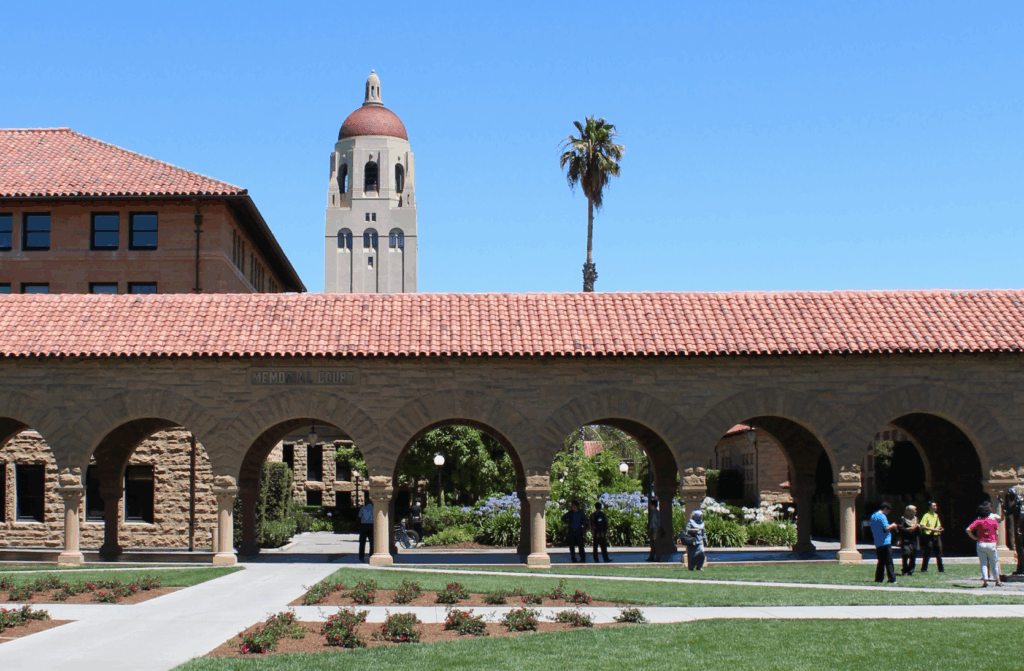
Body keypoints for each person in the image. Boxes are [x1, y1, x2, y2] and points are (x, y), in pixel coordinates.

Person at [967, 503, 1002, 587]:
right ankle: (997, 580)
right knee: (994, 562)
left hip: (981, 543)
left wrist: (975, 538)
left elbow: (968, 529)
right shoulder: (993, 520)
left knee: (983, 563)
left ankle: (985, 580)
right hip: (991, 543)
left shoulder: (978, 521)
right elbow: (997, 533)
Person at [870, 502, 899, 584]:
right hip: (885, 541)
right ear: (886, 509)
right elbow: (886, 528)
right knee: (889, 561)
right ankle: (892, 578)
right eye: (888, 511)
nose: (888, 513)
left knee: (881, 561)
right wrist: (893, 525)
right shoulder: (882, 516)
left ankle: (879, 578)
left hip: (877, 541)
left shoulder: (873, 516)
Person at [919, 501, 945, 573]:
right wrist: (933, 529)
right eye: (934, 506)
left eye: (936, 506)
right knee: (927, 553)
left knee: (939, 553)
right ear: (930, 507)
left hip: (937, 536)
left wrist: (940, 529)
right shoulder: (926, 515)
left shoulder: (936, 515)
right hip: (929, 536)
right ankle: (924, 569)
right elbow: (922, 526)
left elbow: (939, 525)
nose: (935, 507)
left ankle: (941, 569)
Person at [898, 504, 920, 575]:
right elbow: (900, 528)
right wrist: (908, 529)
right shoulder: (903, 518)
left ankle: (911, 570)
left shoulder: (916, 519)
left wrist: (918, 528)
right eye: (914, 510)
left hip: (914, 540)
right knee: (906, 553)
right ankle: (904, 569)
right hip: (906, 539)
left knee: (913, 555)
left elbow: (919, 531)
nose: (916, 511)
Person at [645, 495, 661, 562]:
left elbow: (656, 524)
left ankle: (657, 557)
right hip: (653, 530)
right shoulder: (654, 512)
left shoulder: (655, 513)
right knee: (652, 545)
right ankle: (652, 557)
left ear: (653, 505)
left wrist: (655, 533)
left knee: (655, 545)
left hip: (654, 530)